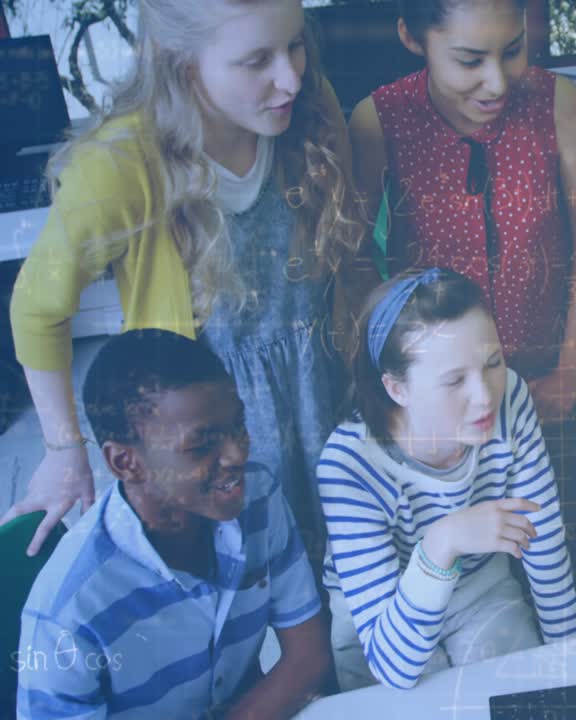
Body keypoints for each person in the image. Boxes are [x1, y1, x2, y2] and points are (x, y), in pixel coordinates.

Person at [4, 0, 367, 567]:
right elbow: (36, 308)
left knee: (331, 583)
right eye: (256, 60)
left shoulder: (310, 112)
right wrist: (62, 448)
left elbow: (350, 264)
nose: (291, 76)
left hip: (321, 401)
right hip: (212, 439)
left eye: (296, 44)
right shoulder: (122, 164)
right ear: (182, 64)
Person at [347, 0, 576, 628]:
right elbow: (355, 257)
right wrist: (400, 384)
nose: (497, 81)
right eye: (469, 59)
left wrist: (572, 373)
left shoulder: (559, 103)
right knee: (468, 579)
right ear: (412, 35)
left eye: (514, 49)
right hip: (438, 400)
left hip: (544, 380)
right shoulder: (378, 119)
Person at [18, 329, 330, 720]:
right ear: (124, 463)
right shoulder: (68, 610)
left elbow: (308, 656)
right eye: (201, 445)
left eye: (238, 426)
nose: (236, 454)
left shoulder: (259, 498)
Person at [318, 268, 576, 690]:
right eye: (454, 380)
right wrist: (443, 543)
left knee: (520, 695)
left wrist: (572, 661)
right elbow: (393, 668)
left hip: (481, 591)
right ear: (397, 389)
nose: (485, 396)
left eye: (493, 362)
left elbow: (544, 539)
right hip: (388, 625)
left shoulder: (510, 396)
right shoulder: (348, 466)